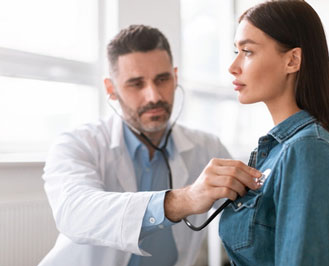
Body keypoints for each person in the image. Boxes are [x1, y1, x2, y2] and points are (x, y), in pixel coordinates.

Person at [39, 24, 261, 266]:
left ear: (175, 77)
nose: (154, 96)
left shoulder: (207, 146)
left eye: (162, 79)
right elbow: (75, 213)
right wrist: (183, 200)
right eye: (136, 84)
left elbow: (252, 215)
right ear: (111, 89)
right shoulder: (77, 144)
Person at [218, 1, 329, 265]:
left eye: (248, 52)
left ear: (292, 60)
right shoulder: (278, 150)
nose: (233, 66)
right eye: (235, 51)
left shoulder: (308, 150)